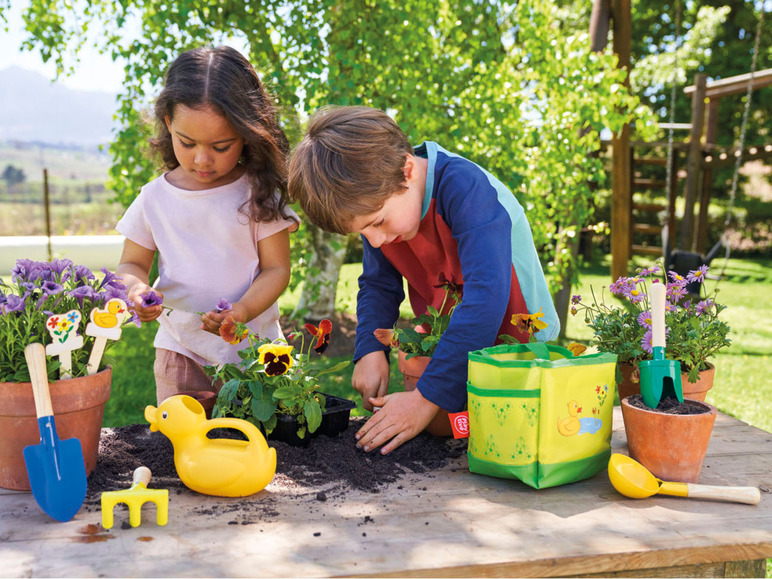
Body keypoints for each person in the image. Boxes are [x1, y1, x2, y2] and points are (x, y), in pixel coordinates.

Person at [288, 106, 558, 455]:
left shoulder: (465, 189)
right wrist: (370, 349)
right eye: (361, 233)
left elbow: (485, 300)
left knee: (513, 448)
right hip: (455, 347)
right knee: (459, 447)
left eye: (378, 222)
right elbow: (378, 285)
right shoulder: (383, 209)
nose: (374, 241)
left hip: (520, 343)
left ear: (408, 170)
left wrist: (424, 398)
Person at [116, 46, 298, 404]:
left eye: (220, 146)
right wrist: (135, 291)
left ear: (246, 133)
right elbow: (131, 264)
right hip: (181, 350)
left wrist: (241, 311)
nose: (202, 158)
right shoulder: (154, 198)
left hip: (257, 354)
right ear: (168, 123)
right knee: (183, 444)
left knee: (260, 446)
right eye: (187, 142)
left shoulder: (257, 193)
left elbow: (277, 270)